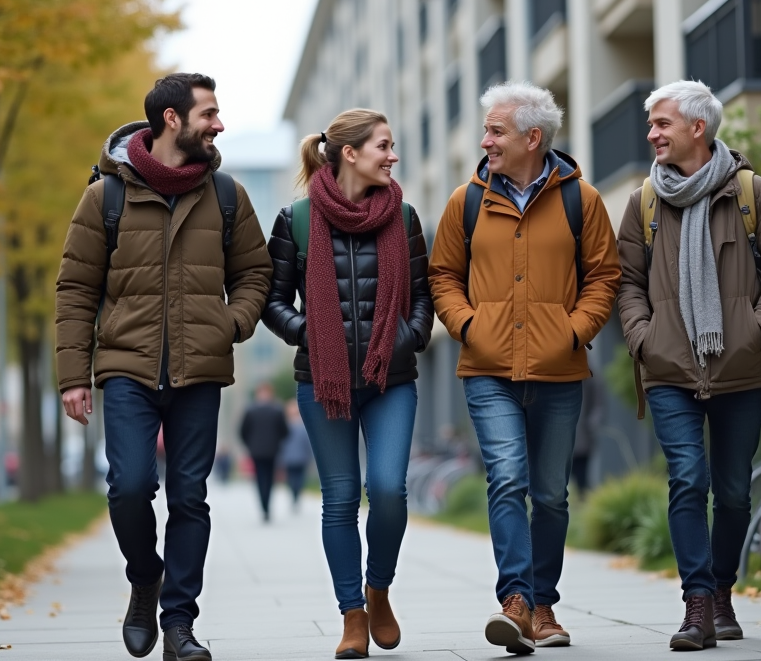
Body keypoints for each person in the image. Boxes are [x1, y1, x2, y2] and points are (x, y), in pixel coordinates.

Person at [56, 73, 272, 661]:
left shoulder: (225, 195)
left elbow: (255, 275)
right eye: (209, 113)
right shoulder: (107, 196)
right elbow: (76, 288)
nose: (219, 124)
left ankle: (179, 623)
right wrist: (74, 375)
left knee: (189, 498)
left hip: (199, 371)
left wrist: (230, 324)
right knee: (129, 487)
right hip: (126, 367)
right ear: (171, 120)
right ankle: (144, 578)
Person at [428, 82, 621, 654]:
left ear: (532, 138)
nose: (485, 140)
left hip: (559, 371)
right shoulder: (466, 200)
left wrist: (573, 331)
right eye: (487, 131)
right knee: (507, 477)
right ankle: (514, 600)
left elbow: (604, 278)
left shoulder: (580, 200)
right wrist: (466, 326)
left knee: (552, 494)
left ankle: (543, 604)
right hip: (487, 369)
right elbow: (442, 275)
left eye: (496, 131)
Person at [616, 81, 761, 651]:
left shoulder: (752, 193)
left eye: (662, 123)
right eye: (651, 124)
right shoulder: (645, 200)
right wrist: (644, 337)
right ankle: (696, 604)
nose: (652, 134)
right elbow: (627, 283)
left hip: (739, 367)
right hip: (670, 367)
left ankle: (723, 592)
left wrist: (755, 328)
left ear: (698, 128)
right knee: (687, 480)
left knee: (733, 491)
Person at [262, 109, 433, 659]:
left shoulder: (403, 217)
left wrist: (406, 338)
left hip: (391, 379)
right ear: (351, 153)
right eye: (384, 145)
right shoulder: (297, 218)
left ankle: (378, 588)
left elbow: (424, 297)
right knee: (339, 497)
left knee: (387, 489)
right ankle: (352, 615)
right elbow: (272, 299)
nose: (393, 155)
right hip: (324, 380)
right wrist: (309, 334)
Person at [239, 382, 289, 521]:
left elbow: (242, 432)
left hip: (256, 451)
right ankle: (266, 506)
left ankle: (264, 506)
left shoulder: (250, 410)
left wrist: (250, 445)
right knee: (269, 478)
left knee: (260, 478)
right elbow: (285, 431)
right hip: (272, 450)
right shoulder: (277, 410)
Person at [571, 378, 605, 498]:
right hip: (558, 445)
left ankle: (581, 504)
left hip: (582, 440)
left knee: (582, 481)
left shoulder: (591, 378)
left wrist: (593, 422)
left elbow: (598, 405)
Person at [279, 398, 313, 510]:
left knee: (297, 478)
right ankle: (295, 495)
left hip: (299, 457)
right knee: (293, 478)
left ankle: (295, 495)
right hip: (291, 457)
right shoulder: (286, 424)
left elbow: (307, 442)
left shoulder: (301, 424)